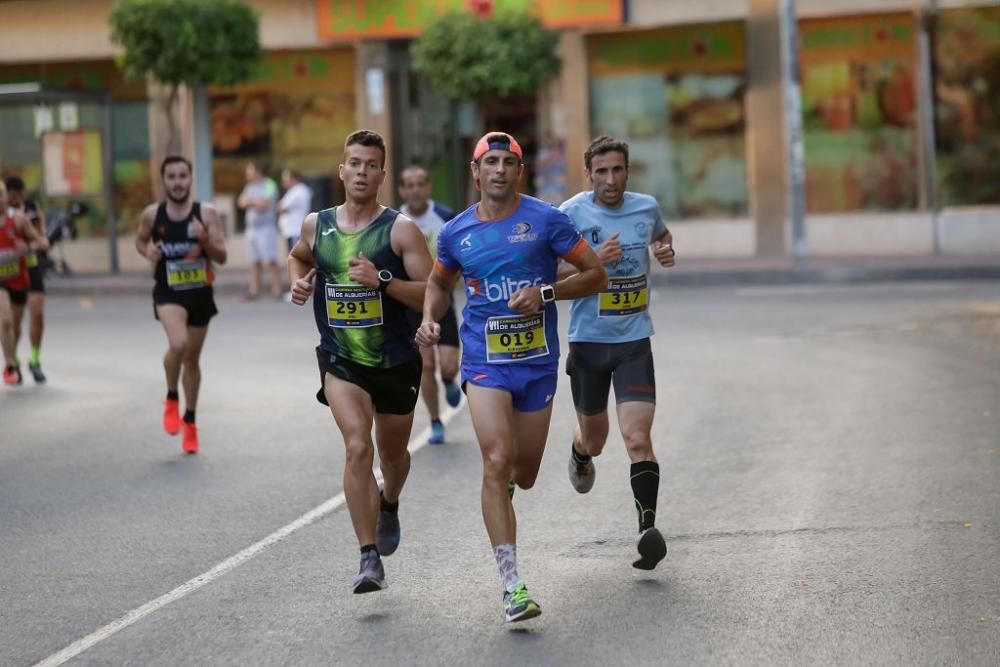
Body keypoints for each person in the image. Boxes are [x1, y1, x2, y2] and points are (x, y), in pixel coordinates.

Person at [416, 132, 605, 623]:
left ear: (519, 172)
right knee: (496, 460)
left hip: (537, 363)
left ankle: (521, 481)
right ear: (475, 172)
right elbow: (439, 280)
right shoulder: (456, 233)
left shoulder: (546, 220)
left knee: (524, 473)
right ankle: (512, 585)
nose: (499, 170)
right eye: (490, 162)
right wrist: (431, 318)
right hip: (485, 363)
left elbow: (594, 275)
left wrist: (544, 294)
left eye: (509, 162)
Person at [287, 130, 433, 594]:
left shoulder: (399, 230)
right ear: (342, 170)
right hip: (341, 358)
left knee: (393, 456)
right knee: (356, 446)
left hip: (395, 360)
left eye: (372, 164)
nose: (362, 172)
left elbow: (432, 292)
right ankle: (368, 557)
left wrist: (382, 280)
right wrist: (300, 282)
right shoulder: (317, 225)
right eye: (355, 163)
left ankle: (389, 501)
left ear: (382, 174)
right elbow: (297, 257)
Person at [558, 135, 676, 571]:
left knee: (638, 439)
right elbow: (546, 272)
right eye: (601, 171)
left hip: (632, 341)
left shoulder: (645, 207)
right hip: (588, 343)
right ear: (588, 174)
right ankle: (579, 449)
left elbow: (661, 236)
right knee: (597, 439)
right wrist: (591, 263)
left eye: (618, 170)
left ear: (628, 171)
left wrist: (665, 251)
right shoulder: (570, 214)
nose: (611, 179)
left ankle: (647, 530)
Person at [135, 156, 227, 454]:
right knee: (178, 344)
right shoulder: (153, 215)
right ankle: (171, 396)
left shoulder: (207, 214)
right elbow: (140, 241)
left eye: (182, 176)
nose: (177, 182)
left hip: (200, 294)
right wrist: (147, 250)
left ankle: (190, 421)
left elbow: (222, 256)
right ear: (163, 181)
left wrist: (205, 241)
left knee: (191, 360)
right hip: (168, 291)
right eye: (171, 177)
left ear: (190, 179)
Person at [398, 165, 461, 444]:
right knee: (424, 366)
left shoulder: (446, 217)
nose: (415, 190)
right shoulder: (395, 221)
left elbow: (462, 253)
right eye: (409, 185)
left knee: (447, 366)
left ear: (428, 187)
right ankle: (436, 422)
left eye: (420, 184)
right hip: (411, 303)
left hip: (441, 300)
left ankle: (448, 380)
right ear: (402, 190)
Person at [0, 179, 49, 386]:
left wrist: (28, 248)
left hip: (26, 272)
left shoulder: (25, 214)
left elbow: (42, 241)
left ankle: (34, 360)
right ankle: (11, 363)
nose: (14, 196)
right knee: (7, 321)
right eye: (11, 193)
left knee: (33, 314)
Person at [237, 161, 281, 299]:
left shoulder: (269, 184)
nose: (247, 173)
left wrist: (250, 201)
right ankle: (255, 290)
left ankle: (277, 290)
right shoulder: (250, 186)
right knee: (254, 261)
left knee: (270, 260)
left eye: (249, 170)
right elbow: (241, 202)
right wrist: (254, 202)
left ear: (257, 171)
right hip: (252, 228)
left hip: (266, 228)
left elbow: (264, 204)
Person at [278, 168, 312, 255]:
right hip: (290, 231)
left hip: (296, 231)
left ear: (292, 178)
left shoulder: (299, 190)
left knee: (295, 259)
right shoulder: (292, 191)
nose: (283, 180)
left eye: (285, 177)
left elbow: (281, 208)